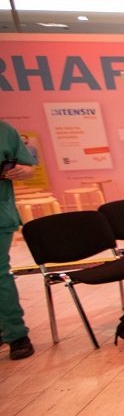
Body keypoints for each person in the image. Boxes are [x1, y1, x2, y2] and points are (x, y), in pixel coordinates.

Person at [1, 122, 36, 360]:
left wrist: (22, 171)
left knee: (0, 275)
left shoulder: (4, 131)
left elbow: (28, 167)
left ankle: (15, 334)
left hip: (1, 213)